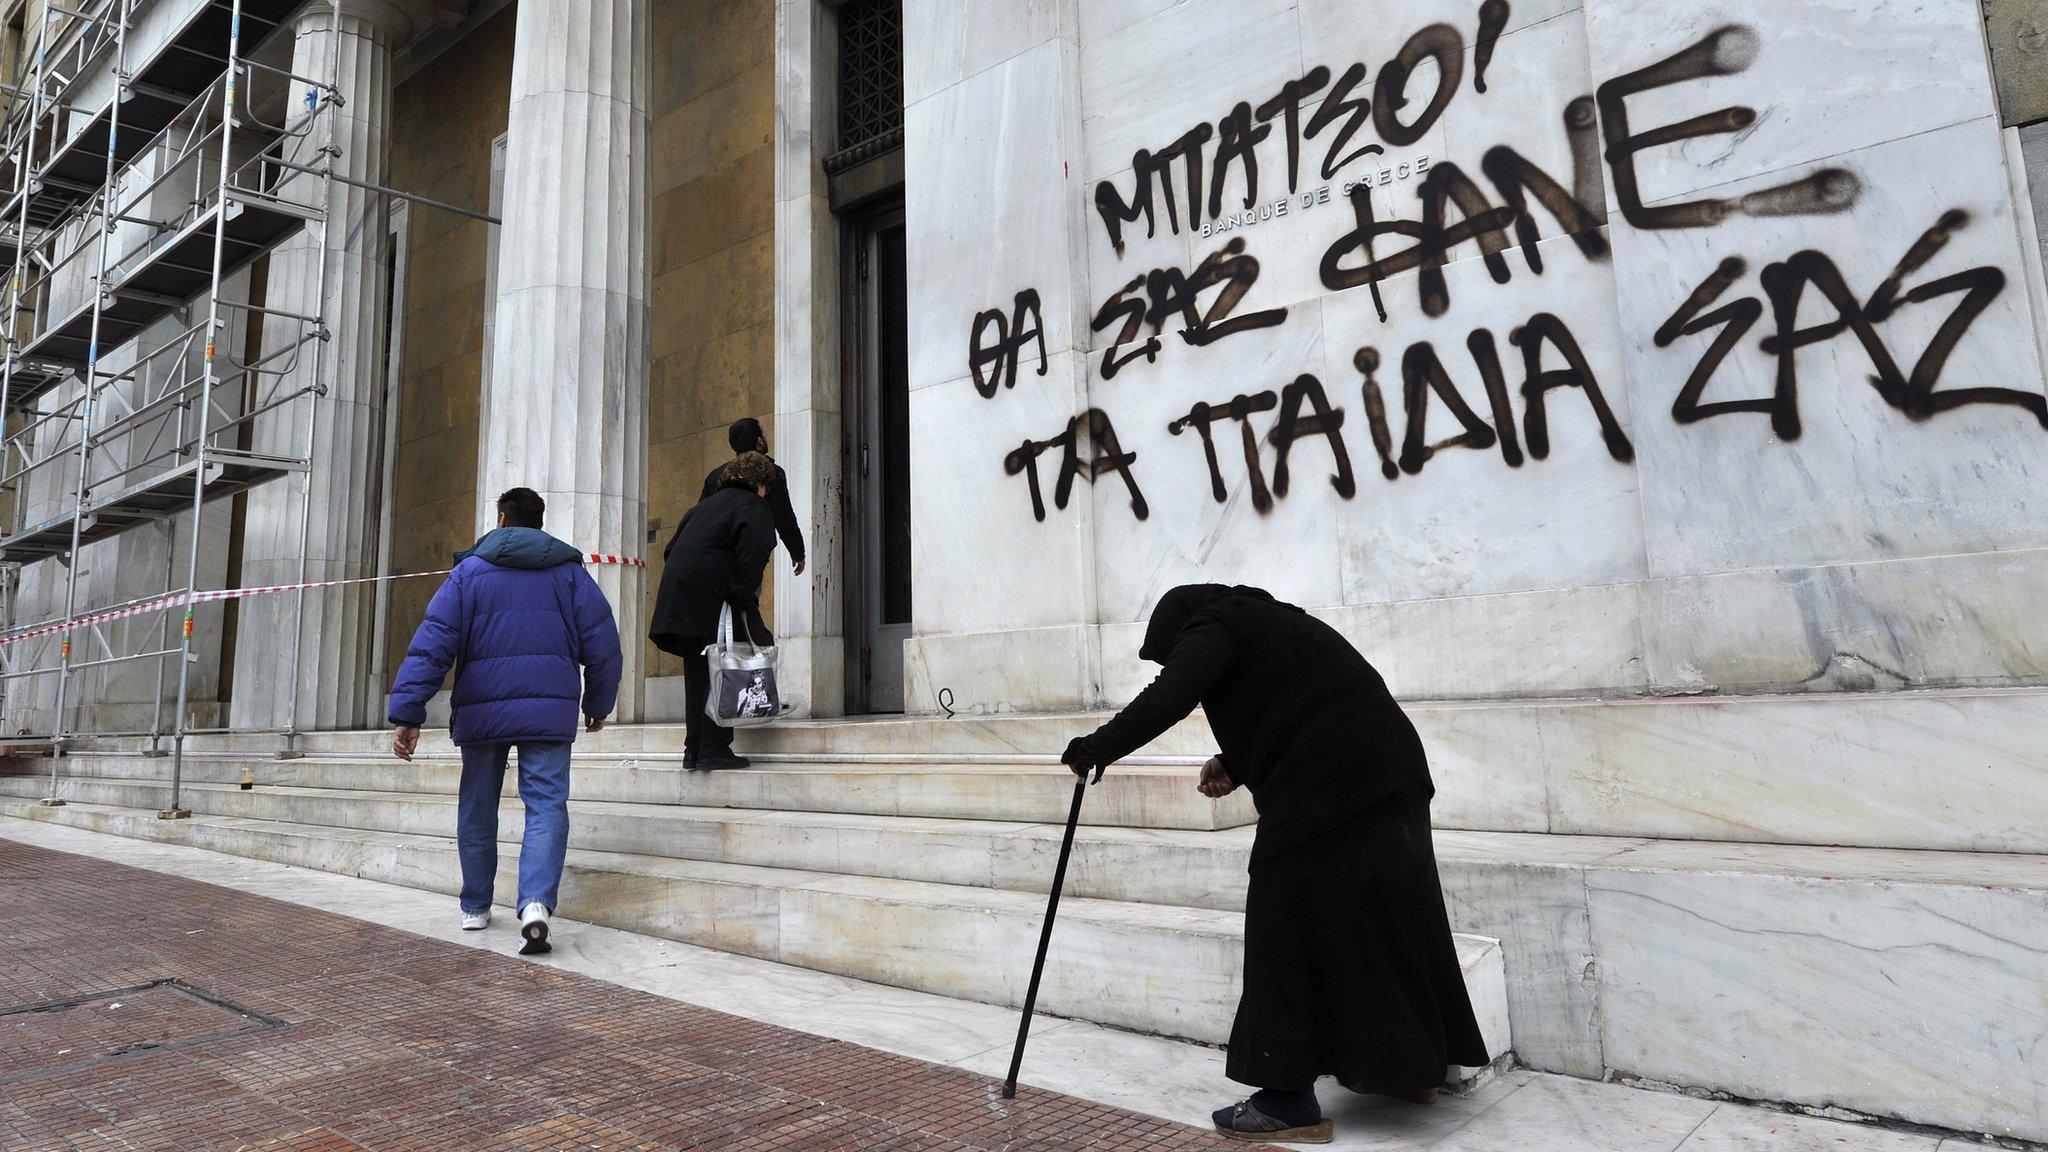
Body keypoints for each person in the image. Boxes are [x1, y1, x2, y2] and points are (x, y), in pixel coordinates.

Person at [1060, 585, 1488, 1145]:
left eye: (1171, 650)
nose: (1176, 658)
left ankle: (1286, 1099)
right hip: (1390, 772)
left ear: (1180, 629)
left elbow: (1174, 693)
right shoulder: (1272, 620)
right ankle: (1409, 1069)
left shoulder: (1215, 622)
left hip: (1330, 785)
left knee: (1280, 923)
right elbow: (1299, 700)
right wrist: (1236, 762)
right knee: (1384, 920)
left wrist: (1099, 746)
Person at [388, 487, 623, 956]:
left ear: (501, 519)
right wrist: (597, 703)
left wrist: (409, 712)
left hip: (483, 709)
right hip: (548, 708)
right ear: (539, 522)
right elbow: (603, 642)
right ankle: (535, 905)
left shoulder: (468, 573)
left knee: (478, 806)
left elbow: (433, 643)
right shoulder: (569, 574)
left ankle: (475, 905)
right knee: (546, 806)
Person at [651, 450, 777, 769]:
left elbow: (669, 550)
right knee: (724, 668)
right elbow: (755, 552)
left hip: (681, 599)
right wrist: (739, 593)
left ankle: (693, 749)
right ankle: (714, 749)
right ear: (760, 483)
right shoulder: (753, 506)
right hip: (714, 598)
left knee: (699, 673)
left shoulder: (702, 508)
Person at [701, 417, 805, 576]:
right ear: (759, 441)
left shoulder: (715, 476)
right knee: (744, 596)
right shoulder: (770, 473)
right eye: (763, 431)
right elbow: (784, 518)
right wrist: (797, 552)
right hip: (745, 556)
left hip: (712, 557)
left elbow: (701, 516)